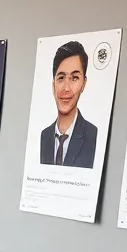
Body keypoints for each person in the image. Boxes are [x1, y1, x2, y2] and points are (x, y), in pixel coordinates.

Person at [39, 40, 98, 168]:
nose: (66, 88)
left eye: (74, 78)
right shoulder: (44, 136)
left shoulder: (93, 135)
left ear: (84, 83)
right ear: (53, 84)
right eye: (61, 78)